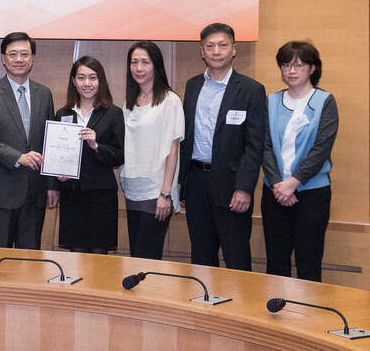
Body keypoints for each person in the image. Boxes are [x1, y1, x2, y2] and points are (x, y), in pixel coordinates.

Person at [180, 23, 265, 271]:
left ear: (234, 50)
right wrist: (183, 186)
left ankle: (239, 308)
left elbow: (254, 146)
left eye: (223, 45)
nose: (216, 51)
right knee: (201, 256)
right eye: (210, 46)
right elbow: (186, 137)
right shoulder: (192, 85)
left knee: (236, 256)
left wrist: (244, 188)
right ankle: (204, 305)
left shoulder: (251, 89)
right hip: (196, 182)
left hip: (231, 186)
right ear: (202, 51)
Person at [262, 41, 338, 281]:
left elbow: (321, 148)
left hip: (311, 193)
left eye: (299, 65)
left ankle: (309, 316)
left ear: (312, 68)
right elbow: (263, 146)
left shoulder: (324, 101)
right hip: (274, 193)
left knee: (308, 261)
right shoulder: (271, 101)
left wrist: (293, 183)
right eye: (286, 65)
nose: (292, 71)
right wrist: (278, 184)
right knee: (276, 262)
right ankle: (274, 315)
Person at [0, 32, 56, 250]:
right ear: (3, 58)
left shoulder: (44, 94)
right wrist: (18, 157)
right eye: (13, 54)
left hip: (35, 192)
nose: (19, 59)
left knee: (29, 261)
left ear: (32, 58)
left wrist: (51, 186)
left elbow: (50, 141)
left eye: (24, 54)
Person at [53, 56, 124, 254]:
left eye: (92, 78)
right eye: (81, 78)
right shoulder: (62, 113)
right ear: (73, 81)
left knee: (99, 257)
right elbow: (57, 153)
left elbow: (119, 155)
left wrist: (96, 145)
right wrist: (59, 174)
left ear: (100, 81)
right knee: (76, 256)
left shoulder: (113, 113)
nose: (87, 83)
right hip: (72, 195)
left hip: (101, 196)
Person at [120, 41, 184, 260]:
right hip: (133, 189)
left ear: (156, 65)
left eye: (145, 62)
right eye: (134, 62)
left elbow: (173, 149)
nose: (139, 68)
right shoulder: (128, 103)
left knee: (147, 257)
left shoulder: (170, 101)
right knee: (136, 255)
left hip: (156, 192)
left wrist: (166, 194)